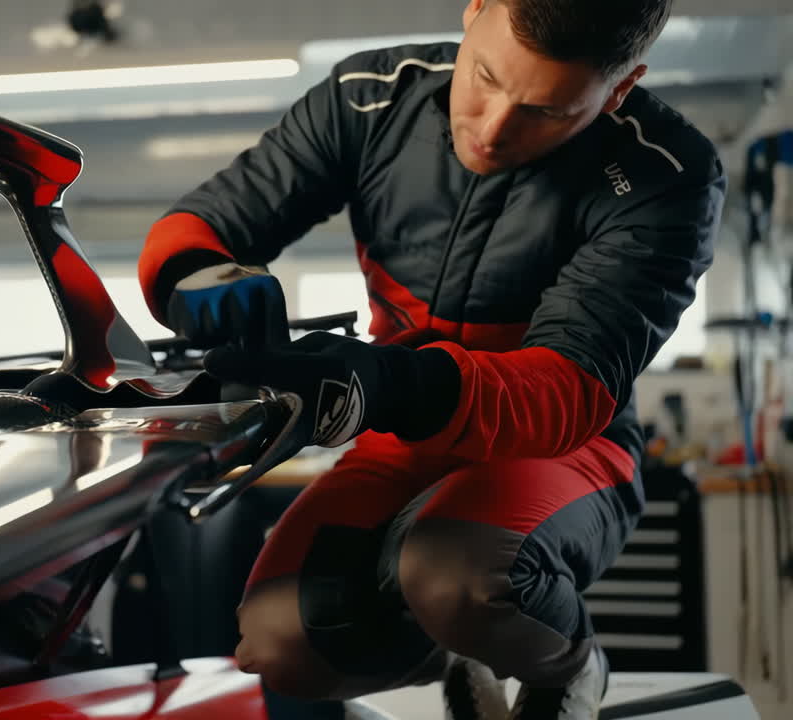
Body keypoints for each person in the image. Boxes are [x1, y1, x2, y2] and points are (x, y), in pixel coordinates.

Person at [136, 1, 725, 718]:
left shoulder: (668, 173)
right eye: (486, 78)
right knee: (277, 643)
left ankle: (571, 665)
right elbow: (200, 222)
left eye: (545, 111)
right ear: (475, 8)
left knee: (457, 575)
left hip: (567, 447)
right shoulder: (369, 99)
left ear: (619, 90)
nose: (494, 128)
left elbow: (562, 392)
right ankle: (463, 642)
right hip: (400, 433)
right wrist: (198, 275)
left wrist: (377, 383)